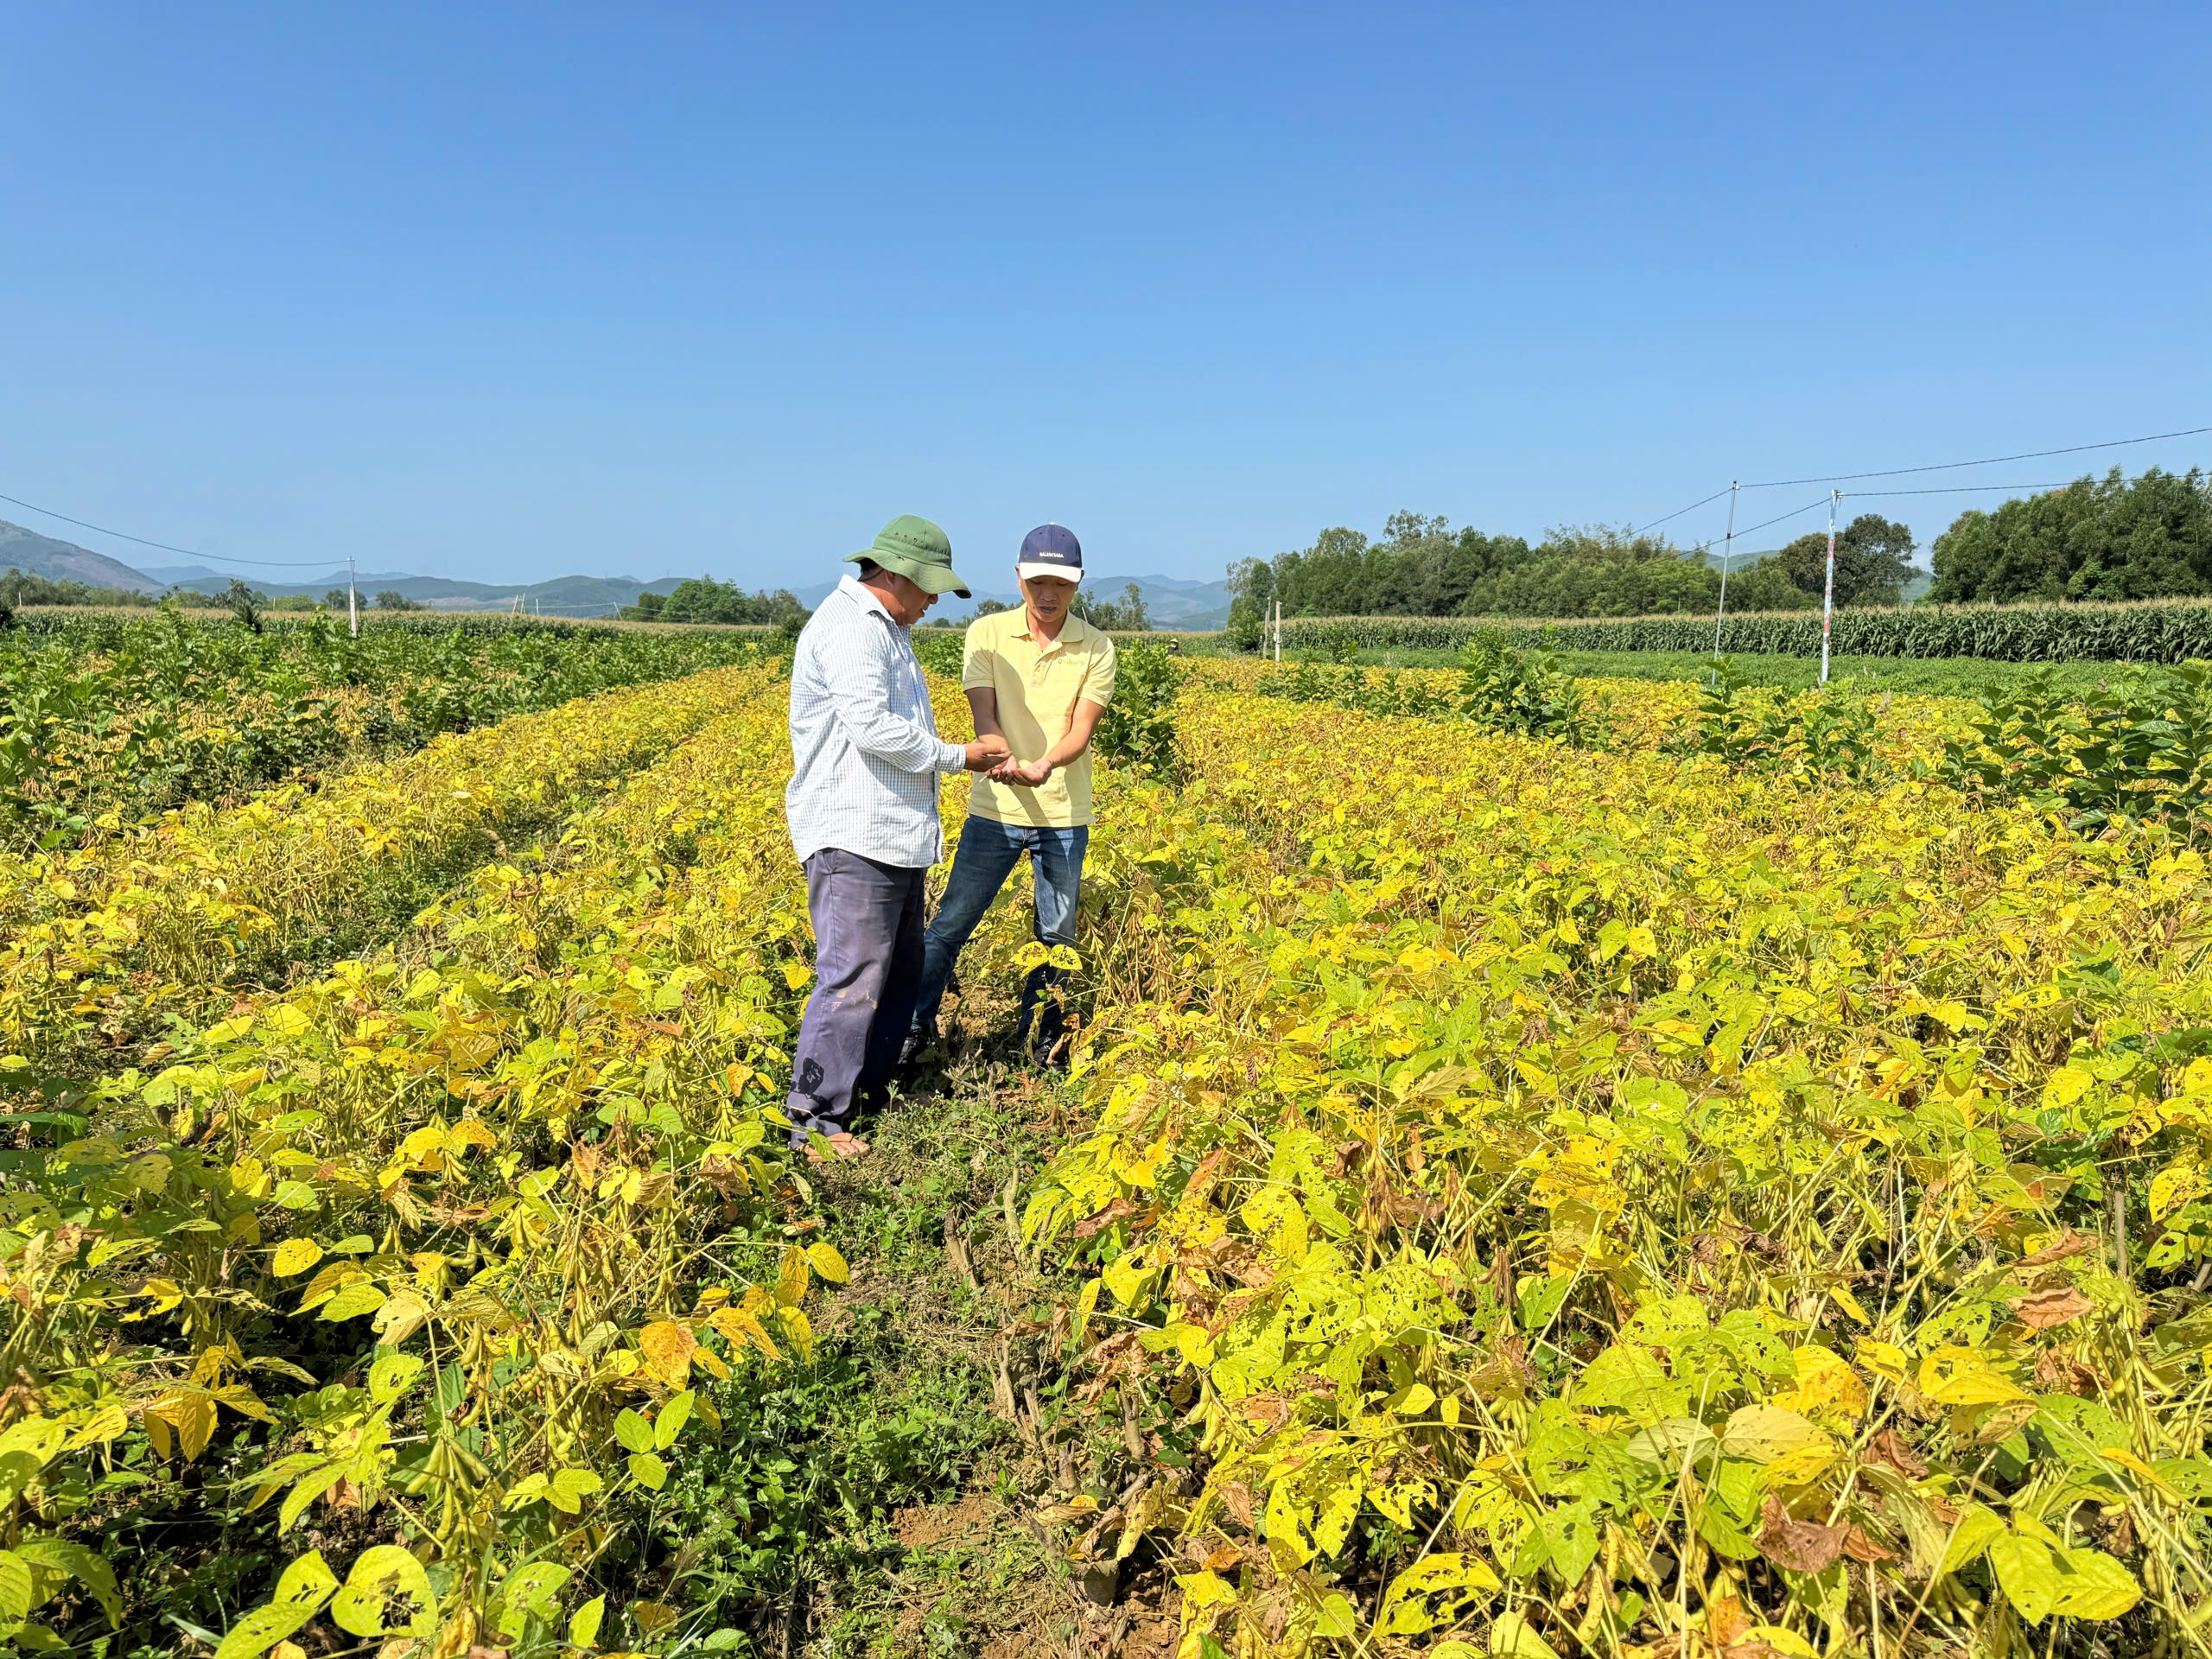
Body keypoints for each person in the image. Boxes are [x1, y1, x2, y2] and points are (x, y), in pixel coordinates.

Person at [783, 515, 1010, 1161]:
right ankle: (814, 1122)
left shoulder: (888, 628)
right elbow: (872, 728)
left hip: (890, 834)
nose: (934, 599)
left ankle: (868, 1097)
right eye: (929, 586)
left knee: (897, 971)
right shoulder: (853, 628)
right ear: (893, 574)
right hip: (855, 833)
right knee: (853, 976)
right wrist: (960, 755)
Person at [907, 523, 1116, 1065]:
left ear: (1078, 584)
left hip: (1064, 812)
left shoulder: (1096, 647)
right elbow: (984, 713)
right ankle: (912, 1026)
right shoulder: (987, 634)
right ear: (1019, 576)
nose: (1049, 594)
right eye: (1038, 581)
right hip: (994, 808)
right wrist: (1001, 754)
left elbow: (1080, 730)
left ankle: (1043, 1039)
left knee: (1057, 935)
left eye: (1061, 584)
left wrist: (1045, 763)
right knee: (952, 923)